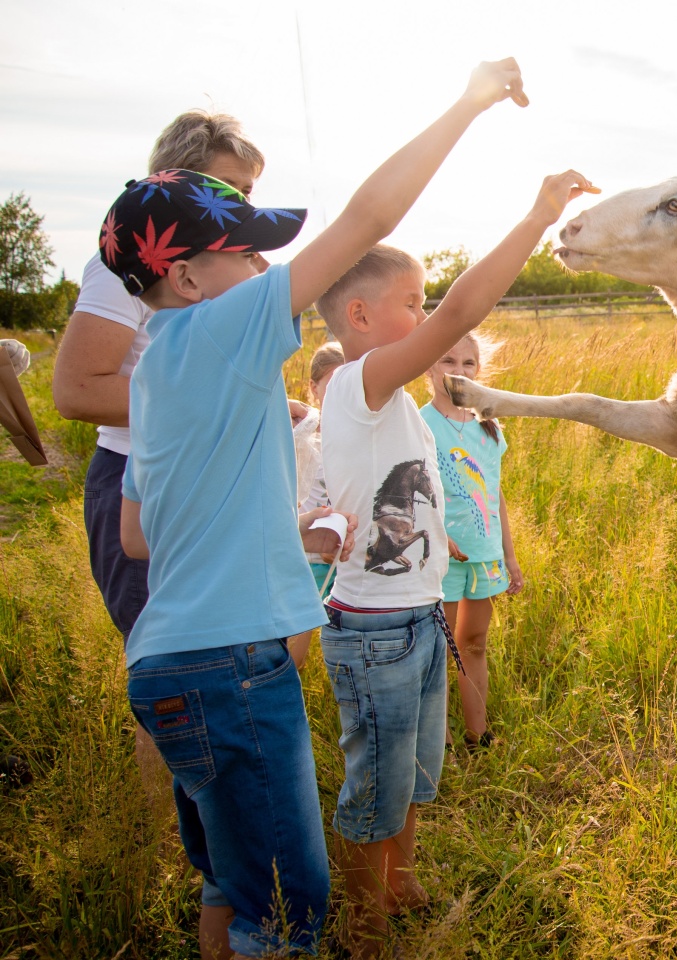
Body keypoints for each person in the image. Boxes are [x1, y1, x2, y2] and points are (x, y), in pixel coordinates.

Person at [111, 58, 541, 959]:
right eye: (245, 250)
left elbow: (136, 534)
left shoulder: (153, 370)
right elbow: (369, 221)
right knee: (288, 910)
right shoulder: (215, 331)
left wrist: (286, 530)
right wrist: (466, 102)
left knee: (232, 885)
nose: (266, 265)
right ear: (185, 277)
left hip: (165, 662)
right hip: (232, 668)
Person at [314, 171, 594, 955]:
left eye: (425, 300)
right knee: (374, 787)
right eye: (413, 302)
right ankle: (365, 923)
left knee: (408, 775)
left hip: (419, 619)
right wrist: (540, 217)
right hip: (374, 632)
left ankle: (399, 884)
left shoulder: (395, 399)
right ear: (361, 316)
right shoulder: (358, 383)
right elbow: (466, 312)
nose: (427, 316)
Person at [50, 112, 266, 805]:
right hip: (142, 492)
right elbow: (78, 388)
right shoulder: (129, 264)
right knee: (168, 668)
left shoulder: (215, 267)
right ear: (175, 181)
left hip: (203, 488)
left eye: (251, 190)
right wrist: (208, 405)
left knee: (211, 663)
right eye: (229, 187)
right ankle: (163, 839)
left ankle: (209, 830)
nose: (243, 207)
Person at [419, 331, 521, 750]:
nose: (459, 372)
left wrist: (509, 556)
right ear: (427, 366)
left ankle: (478, 735)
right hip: (438, 557)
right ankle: (437, 741)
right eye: (447, 361)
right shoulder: (420, 425)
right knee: (438, 651)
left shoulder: (488, 428)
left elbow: (494, 494)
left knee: (474, 644)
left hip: (483, 555)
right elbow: (412, 492)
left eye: (468, 363)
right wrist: (439, 534)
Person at [287, 340, 347, 667]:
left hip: (344, 556)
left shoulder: (355, 432)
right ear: (313, 386)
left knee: (339, 642)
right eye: (331, 384)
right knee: (296, 643)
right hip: (306, 554)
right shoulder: (302, 431)